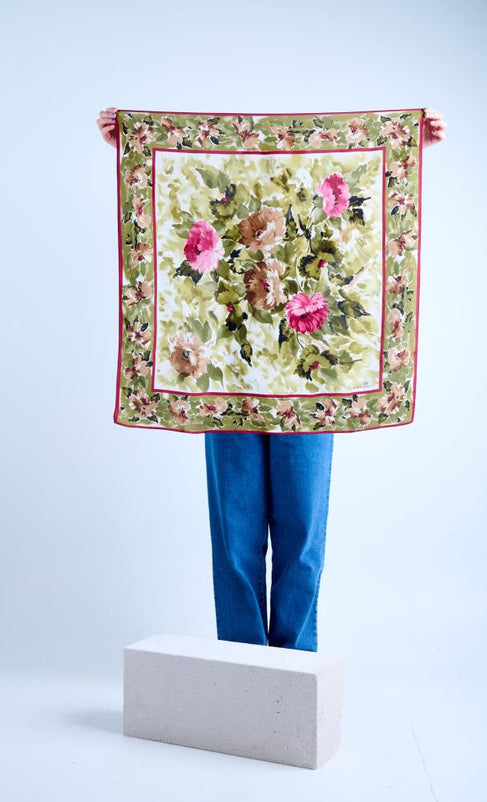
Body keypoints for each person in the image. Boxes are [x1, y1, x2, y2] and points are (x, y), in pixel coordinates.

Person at [97, 106, 446, 652]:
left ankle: (296, 669)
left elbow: (348, 206)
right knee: (235, 539)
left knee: (301, 535)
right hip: (227, 375)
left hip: (309, 387)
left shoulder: (304, 200)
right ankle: (243, 667)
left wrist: (406, 145)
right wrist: (137, 142)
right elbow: (181, 201)